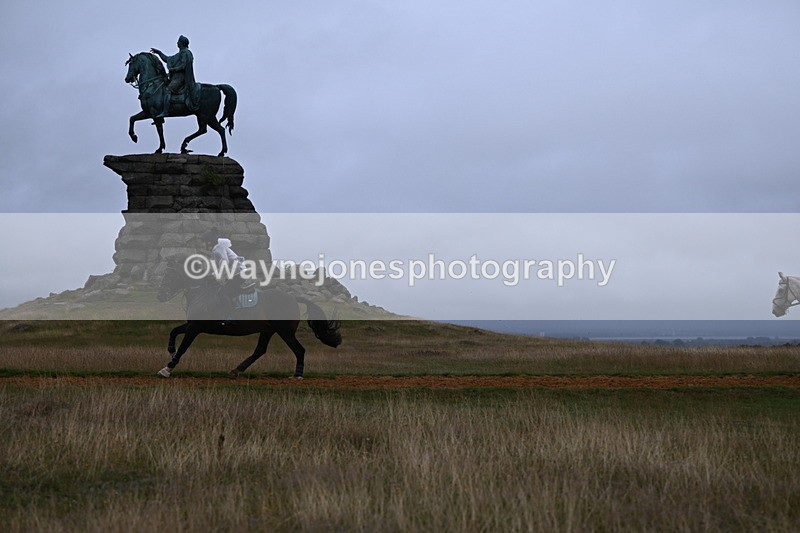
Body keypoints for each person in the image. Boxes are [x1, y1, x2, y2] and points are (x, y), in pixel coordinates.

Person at [150, 35, 200, 116]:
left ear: (182, 43)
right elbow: (167, 59)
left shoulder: (185, 53)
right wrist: (159, 52)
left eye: (178, 42)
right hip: (175, 78)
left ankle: (165, 111)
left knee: (167, 90)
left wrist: (173, 69)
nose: (177, 43)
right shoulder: (179, 54)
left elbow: (183, 66)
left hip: (180, 78)